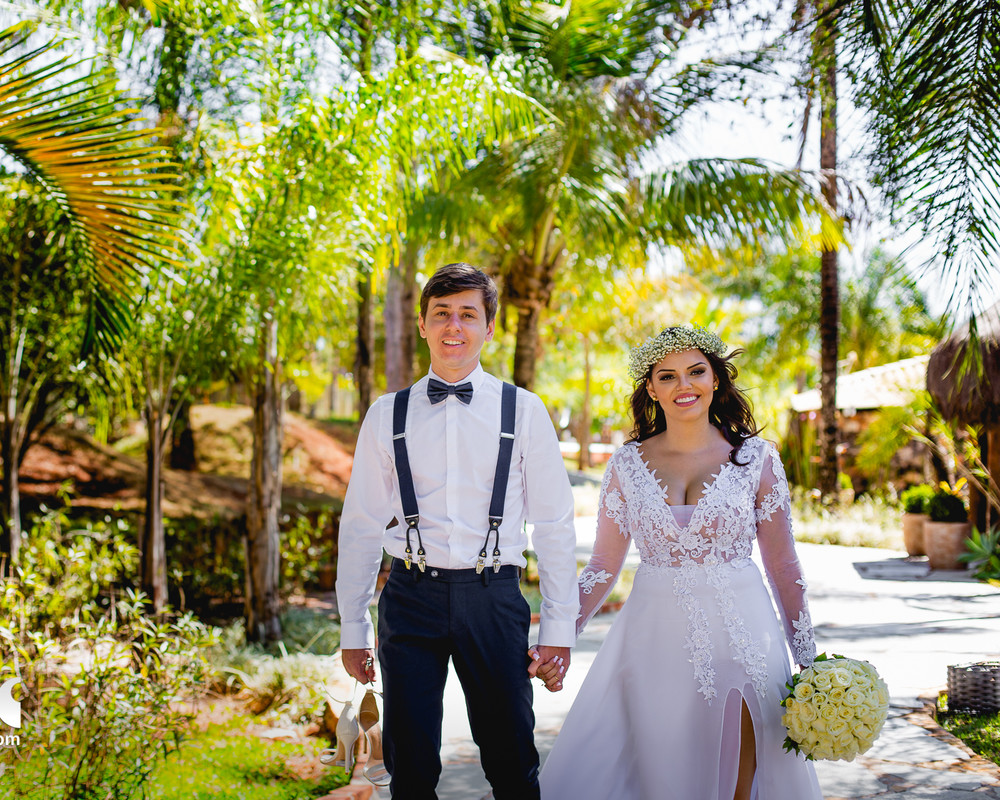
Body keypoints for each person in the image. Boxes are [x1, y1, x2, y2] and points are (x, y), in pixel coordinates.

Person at [537, 326, 822, 800]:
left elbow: (784, 568)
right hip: (652, 642)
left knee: (739, 775)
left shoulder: (756, 460)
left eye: (695, 372)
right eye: (667, 376)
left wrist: (809, 662)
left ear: (715, 380)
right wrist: (559, 637)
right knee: (659, 775)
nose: (683, 385)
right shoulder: (626, 464)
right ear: (651, 388)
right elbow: (604, 565)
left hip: (743, 638)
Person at [335, 262, 580, 800]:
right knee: (411, 765)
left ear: (489, 328)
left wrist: (559, 628)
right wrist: (352, 628)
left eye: (468, 314)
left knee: (512, 759)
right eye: (441, 313)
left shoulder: (525, 410)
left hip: (492, 595)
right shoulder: (386, 414)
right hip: (410, 595)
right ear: (421, 324)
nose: (454, 326)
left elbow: (555, 525)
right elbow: (359, 527)